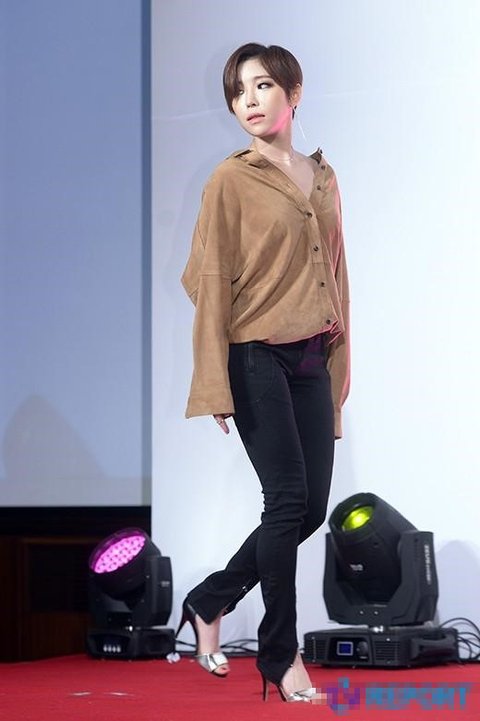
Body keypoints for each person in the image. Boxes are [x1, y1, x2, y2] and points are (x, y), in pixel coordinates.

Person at [177, 42, 350, 703]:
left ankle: (209, 600)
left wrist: (340, 370)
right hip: (254, 353)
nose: (247, 100)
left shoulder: (323, 177)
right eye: (237, 91)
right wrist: (213, 380)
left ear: (293, 93)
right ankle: (281, 656)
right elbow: (208, 280)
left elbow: (337, 276)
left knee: (310, 509)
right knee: (285, 501)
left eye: (262, 86)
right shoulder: (230, 179)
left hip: (311, 355)